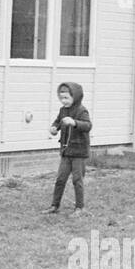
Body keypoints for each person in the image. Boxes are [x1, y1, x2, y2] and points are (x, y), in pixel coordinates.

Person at [48, 82, 92, 213]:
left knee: (77, 180)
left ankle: (79, 207)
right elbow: (58, 122)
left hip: (79, 153)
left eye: (66, 98)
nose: (63, 101)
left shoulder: (81, 110)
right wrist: (54, 128)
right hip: (66, 152)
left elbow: (88, 126)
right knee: (60, 179)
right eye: (61, 98)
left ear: (76, 96)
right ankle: (54, 206)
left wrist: (74, 123)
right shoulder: (63, 110)